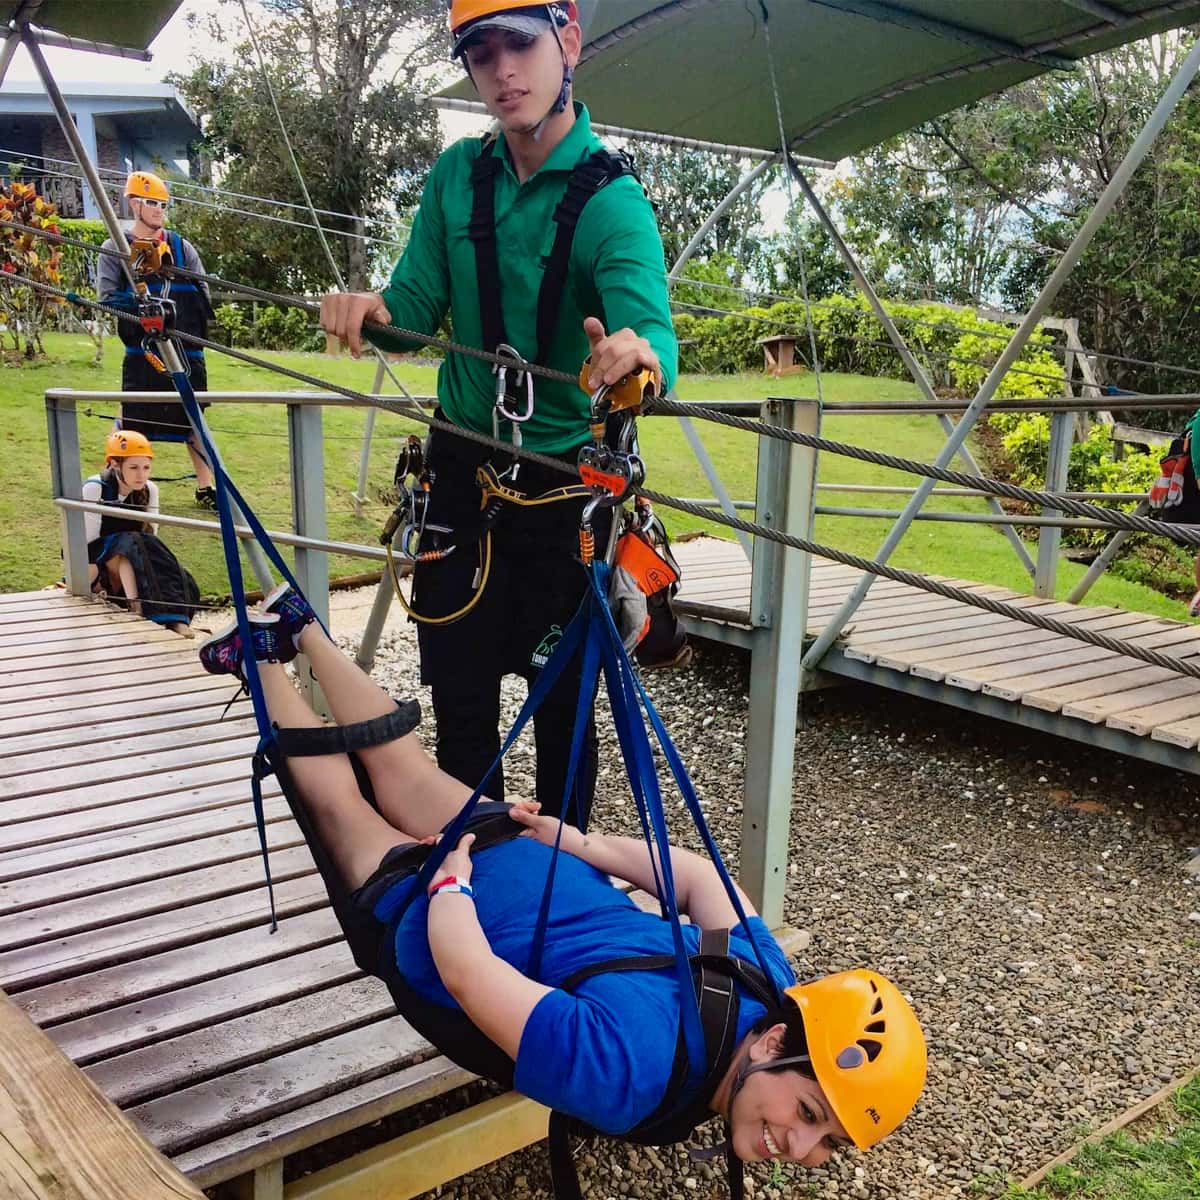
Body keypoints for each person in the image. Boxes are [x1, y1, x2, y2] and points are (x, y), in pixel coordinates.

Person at [197, 587, 927, 1168]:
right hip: (439, 917)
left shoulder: (771, 981)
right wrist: (448, 883)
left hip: (541, 865)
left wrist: (581, 844)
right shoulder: (628, 1075)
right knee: (337, 803)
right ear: (773, 1045)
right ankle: (260, 659)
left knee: (402, 765)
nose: (798, 1149)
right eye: (807, 1113)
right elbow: (465, 973)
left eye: (827, 1142)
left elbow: (702, 880)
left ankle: (303, 628)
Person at [319, 0, 678, 822]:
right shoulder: (458, 175)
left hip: (561, 491)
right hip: (459, 474)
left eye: (520, 45)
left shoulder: (613, 202)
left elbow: (650, 332)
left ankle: (564, 886)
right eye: (481, 54)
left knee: (565, 713)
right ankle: (471, 870)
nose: (503, 71)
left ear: (569, 43)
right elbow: (416, 303)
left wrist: (639, 360)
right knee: (462, 697)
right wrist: (373, 309)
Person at [97, 170, 218, 510]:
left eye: (163, 204)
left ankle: (207, 487)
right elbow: (106, 297)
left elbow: (202, 293)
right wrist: (137, 302)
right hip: (142, 350)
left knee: (194, 420)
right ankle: (115, 484)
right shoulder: (114, 248)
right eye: (151, 203)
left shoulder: (182, 248)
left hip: (185, 349)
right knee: (133, 418)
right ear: (133, 203)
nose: (158, 210)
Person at [84, 430, 200, 637]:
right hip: (95, 559)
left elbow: (151, 537)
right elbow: (86, 543)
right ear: (114, 464)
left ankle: (175, 619)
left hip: (134, 553)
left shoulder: (150, 489)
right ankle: (138, 611)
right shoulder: (96, 488)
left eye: (146, 467)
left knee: (175, 570)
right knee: (133, 542)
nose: (141, 475)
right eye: (134, 467)